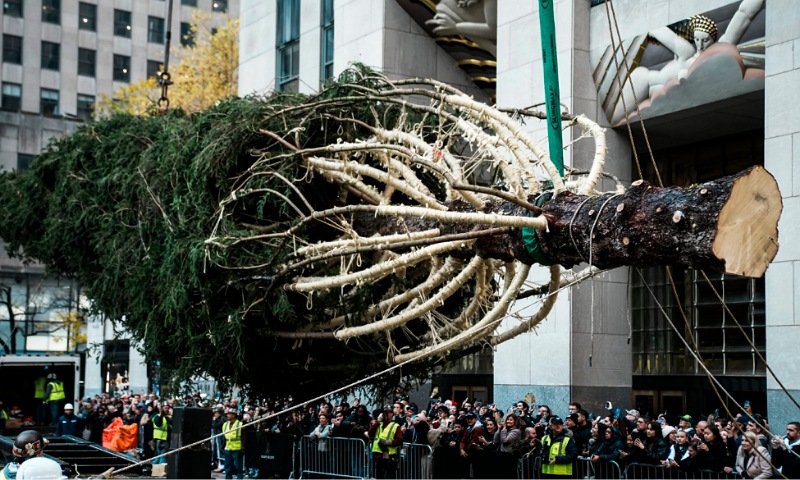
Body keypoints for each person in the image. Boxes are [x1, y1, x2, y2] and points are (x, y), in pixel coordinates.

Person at [609, 0, 766, 123]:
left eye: (705, 40)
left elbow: (743, 14)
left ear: (713, 39)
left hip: (663, 93)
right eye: (697, 39)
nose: (700, 44)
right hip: (646, 83)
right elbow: (662, 33)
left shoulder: (719, 48)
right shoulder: (687, 51)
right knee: (636, 81)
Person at [370, 407, 403, 479]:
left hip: (389, 456)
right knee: (379, 476)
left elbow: (400, 440)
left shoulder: (395, 426)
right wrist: (377, 422)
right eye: (384, 413)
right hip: (378, 455)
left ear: (391, 414)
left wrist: (387, 442)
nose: (385, 415)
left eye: (387, 413)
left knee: (389, 476)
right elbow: (371, 433)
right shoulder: (379, 425)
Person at [222, 409, 244, 480]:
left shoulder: (240, 424)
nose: (227, 415)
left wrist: (243, 447)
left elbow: (243, 436)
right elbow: (224, 437)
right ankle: (228, 478)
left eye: (229, 414)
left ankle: (239, 478)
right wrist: (222, 446)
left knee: (238, 465)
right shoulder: (225, 424)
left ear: (234, 415)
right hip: (228, 447)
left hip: (237, 448)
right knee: (227, 465)